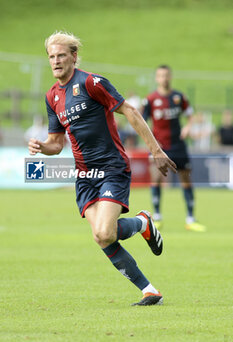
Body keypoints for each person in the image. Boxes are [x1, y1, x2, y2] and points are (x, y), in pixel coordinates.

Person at [28, 31, 177, 306]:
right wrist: (41, 147)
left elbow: (130, 110)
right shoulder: (52, 97)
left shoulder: (91, 83)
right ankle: (149, 289)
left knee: (106, 232)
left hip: (111, 167)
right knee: (101, 236)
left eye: (61, 55)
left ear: (73, 56)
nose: (56, 61)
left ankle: (144, 224)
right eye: (51, 56)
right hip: (85, 176)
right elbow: (56, 143)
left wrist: (155, 150)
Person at [142, 64, 206, 232]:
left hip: (178, 145)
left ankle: (190, 219)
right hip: (159, 147)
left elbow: (190, 115)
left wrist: (188, 127)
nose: (164, 78)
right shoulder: (150, 99)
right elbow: (142, 122)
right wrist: (151, 143)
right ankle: (157, 217)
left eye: (166, 75)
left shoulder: (179, 97)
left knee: (186, 179)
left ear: (170, 77)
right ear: (157, 78)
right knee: (155, 179)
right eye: (161, 76)